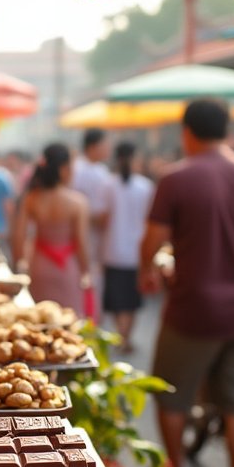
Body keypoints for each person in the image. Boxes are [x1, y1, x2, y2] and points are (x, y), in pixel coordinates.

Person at [139, 100, 234, 467]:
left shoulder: (177, 178)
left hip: (194, 309)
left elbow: (153, 241)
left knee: (172, 397)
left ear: (187, 133)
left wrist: (148, 268)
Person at [11, 143, 91, 316]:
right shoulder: (78, 202)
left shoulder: (31, 198)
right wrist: (86, 270)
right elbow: (81, 243)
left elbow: (18, 237)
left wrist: (19, 264)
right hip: (68, 268)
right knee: (69, 318)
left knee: (42, 318)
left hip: (39, 265)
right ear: (63, 169)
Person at [102, 141, 154, 352]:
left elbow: (102, 218)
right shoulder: (145, 186)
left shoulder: (108, 184)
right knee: (131, 300)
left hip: (112, 250)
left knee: (117, 299)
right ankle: (126, 336)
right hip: (135, 251)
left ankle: (121, 336)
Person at [71, 128, 116, 312]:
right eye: (105, 144)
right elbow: (99, 214)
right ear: (93, 146)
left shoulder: (84, 168)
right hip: (88, 238)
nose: (108, 148)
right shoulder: (87, 171)